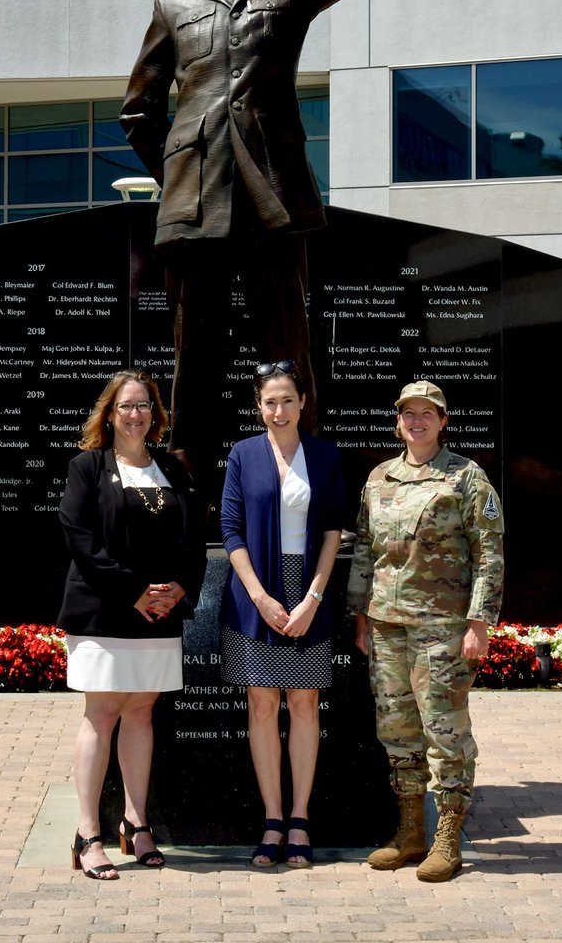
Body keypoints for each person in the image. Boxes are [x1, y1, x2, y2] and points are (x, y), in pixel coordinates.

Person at [120, 0, 390, 486]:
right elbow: (139, 110)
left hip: (272, 201)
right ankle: (187, 495)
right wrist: (182, 172)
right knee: (196, 359)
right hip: (197, 209)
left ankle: (305, 486)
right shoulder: (173, 3)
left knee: (286, 353)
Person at [347, 381, 504, 882]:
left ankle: (447, 837)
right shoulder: (380, 477)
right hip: (387, 626)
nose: (416, 421)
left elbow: (489, 553)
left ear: (442, 421)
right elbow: (366, 549)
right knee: (396, 730)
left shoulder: (466, 478)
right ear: (398, 421)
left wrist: (479, 623)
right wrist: (361, 615)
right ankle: (410, 830)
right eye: (407, 414)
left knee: (445, 732)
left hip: (443, 629)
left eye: (426, 414)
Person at [57, 369, 206, 879]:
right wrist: (134, 591)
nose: (135, 415)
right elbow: (79, 538)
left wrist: (181, 588)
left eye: (144, 405)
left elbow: (193, 537)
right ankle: (87, 832)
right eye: (126, 406)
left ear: (155, 414)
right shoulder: (87, 467)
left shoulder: (172, 467)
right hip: (103, 609)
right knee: (102, 714)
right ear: (109, 413)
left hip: (159, 613)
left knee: (142, 712)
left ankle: (136, 823)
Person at [220, 361, 344, 867]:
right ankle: (272, 819)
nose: (279, 410)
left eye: (287, 399)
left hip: (308, 588)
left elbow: (334, 530)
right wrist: (260, 598)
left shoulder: (324, 454)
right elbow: (231, 529)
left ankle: (299, 818)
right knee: (263, 707)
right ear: (259, 406)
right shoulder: (243, 455)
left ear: (302, 403)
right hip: (257, 592)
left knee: (305, 704)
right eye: (269, 401)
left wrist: (312, 597)